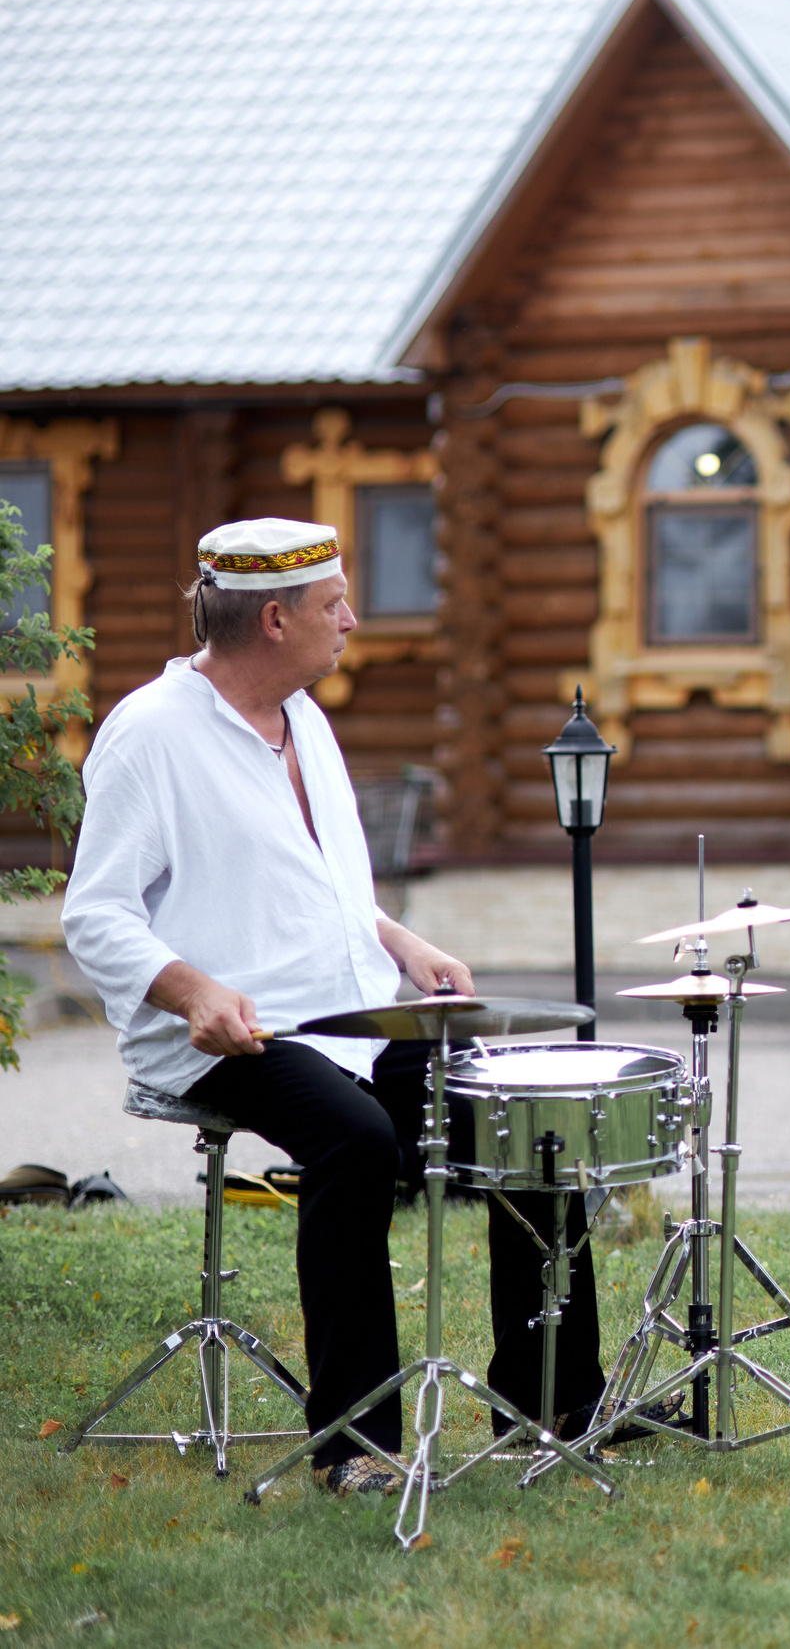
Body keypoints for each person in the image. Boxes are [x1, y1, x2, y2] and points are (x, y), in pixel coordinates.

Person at [61, 519, 631, 1497]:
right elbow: (96, 914)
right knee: (357, 1142)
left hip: (351, 1015)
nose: (353, 619)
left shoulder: (305, 721)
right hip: (233, 1033)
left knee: (529, 1113)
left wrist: (401, 943)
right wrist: (194, 989)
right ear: (275, 620)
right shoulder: (148, 734)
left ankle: (554, 1408)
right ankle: (354, 1444)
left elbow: (318, 887)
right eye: (335, 605)